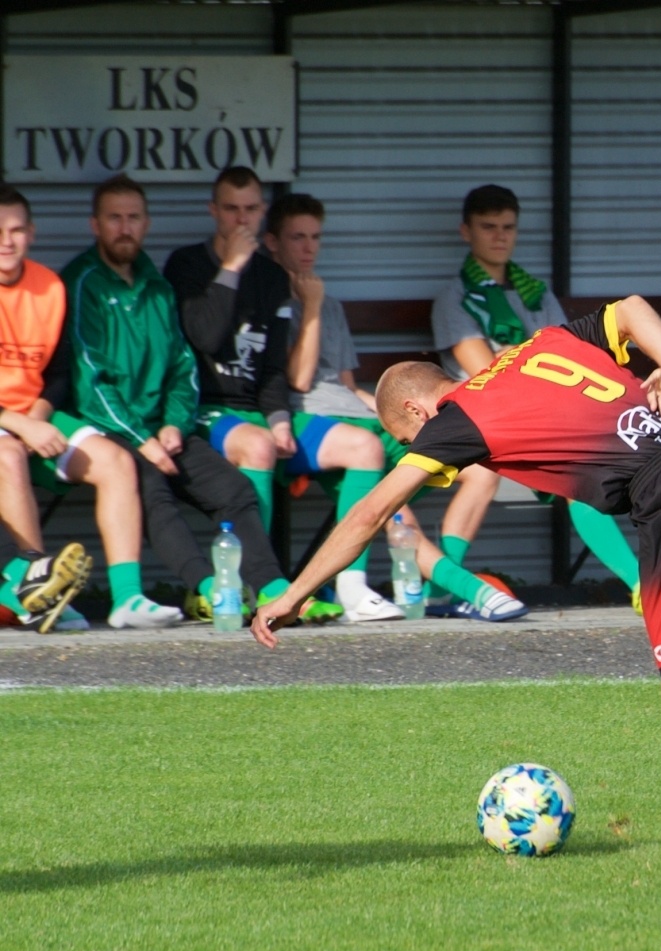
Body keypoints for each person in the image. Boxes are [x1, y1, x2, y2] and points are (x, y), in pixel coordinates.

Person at [252, 296, 661, 877]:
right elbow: (632, 309)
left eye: (404, 439)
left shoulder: (454, 418)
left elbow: (369, 513)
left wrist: (294, 593)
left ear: (417, 411)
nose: (417, 449)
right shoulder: (538, 346)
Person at [264, 193, 524, 622]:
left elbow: (348, 386)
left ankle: (441, 589)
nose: (309, 247)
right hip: (311, 424)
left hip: (355, 421)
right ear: (273, 242)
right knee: (392, 500)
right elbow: (299, 380)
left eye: (315, 237)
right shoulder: (279, 300)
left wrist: (386, 416)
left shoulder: (329, 303)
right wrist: (309, 306)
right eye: (298, 237)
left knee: (478, 470)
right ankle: (467, 591)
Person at [61, 174, 300, 626]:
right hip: (110, 427)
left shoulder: (155, 282)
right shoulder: (82, 281)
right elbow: (90, 378)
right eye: (114, 218)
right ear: (95, 224)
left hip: (164, 427)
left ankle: (273, 589)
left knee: (234, 491)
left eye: (134, 217)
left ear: (147, 223)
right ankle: (211, 591)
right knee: (148, 484)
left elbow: (182, 363)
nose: (125, 228)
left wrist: (174, 424)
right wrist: (143, 439)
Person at [430, 183, 647, 612]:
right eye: (488, 227)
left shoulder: (536, 292)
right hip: (484, 418)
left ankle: (654, 583)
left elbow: (576, 353)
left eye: (508, 227)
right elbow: (486, 372)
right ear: (465, 232)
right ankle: (446, 585)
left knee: (628, 455)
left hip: (551, 408)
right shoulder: (453, 298)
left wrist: (518, 355)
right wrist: (532, 355)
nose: (500, 236)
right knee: (569, 471)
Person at [162, 167, 344, 622]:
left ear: (262, 212)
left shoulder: (272, 277)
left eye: (250, 209)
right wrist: (230, 269)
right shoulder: (187, 264)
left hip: (256, 412)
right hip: (202, 409)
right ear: (213, 210)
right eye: (231, 209)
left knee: (299, 441)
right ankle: (260, 587)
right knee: (258, 446)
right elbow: (204, 337)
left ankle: (294, 587)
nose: (241, 220)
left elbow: (272, 368)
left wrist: (280, 419)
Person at [0, 183, 99, 632]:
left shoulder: (51, 287)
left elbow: (59, 373)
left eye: (17, 230)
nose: (7, 241)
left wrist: (36, 418)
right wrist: (20, 427)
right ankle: (35, 584)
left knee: (116, 462)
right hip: (9, 425)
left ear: (32, 233)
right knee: (7, 453)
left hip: (31, 416)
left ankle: (129, 596)